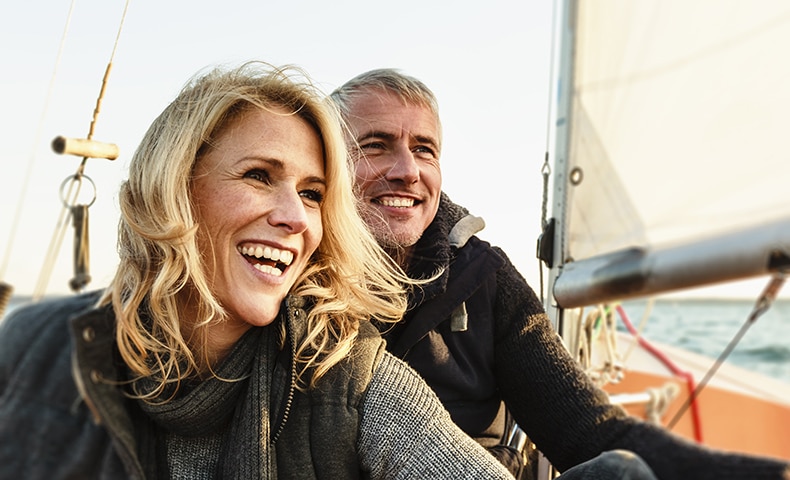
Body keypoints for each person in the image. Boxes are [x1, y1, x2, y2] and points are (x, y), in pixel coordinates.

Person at [0, 62, 516, 479]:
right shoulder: (38, 346)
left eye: (312, 194)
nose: (294, 217)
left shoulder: (349, 380)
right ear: (174, 188)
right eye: (258, 176)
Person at [330, 68, 790, 480]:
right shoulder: (296, 292)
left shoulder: (483, 276)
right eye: (376, 145)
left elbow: (587, 430)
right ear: (330, 165)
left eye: (424, 150)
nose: (408, 171)